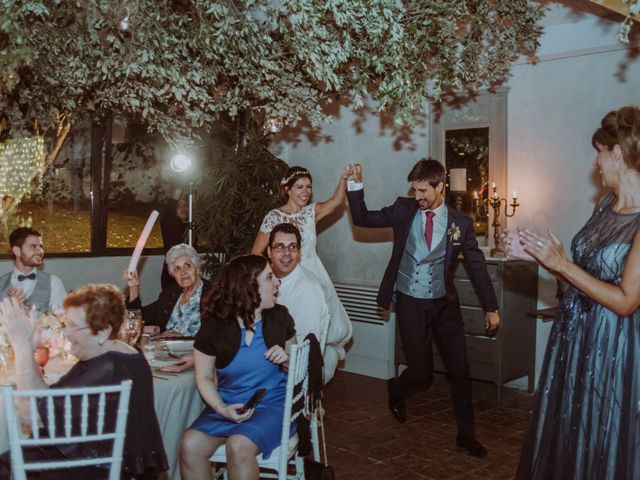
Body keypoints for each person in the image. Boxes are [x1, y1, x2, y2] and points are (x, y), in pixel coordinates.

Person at [512, 106, 640, 479]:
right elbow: (586, 276)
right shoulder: (603, 206)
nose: (596, 163)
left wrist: (564, 266)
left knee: (604, 430)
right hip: (575, 336)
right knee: (572, 428)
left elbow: (626, 301)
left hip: (613, 346)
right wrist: (555, 264)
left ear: (618, 152)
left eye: (599, 151)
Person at [346, 159, 500, 457]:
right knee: (421, 371)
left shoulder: (461, 223)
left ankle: (466, 434)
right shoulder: (404, 210)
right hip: (410, 302)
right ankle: (398, 389)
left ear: (440, 186)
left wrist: (491, 307)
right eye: (414, 190)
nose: (417, 196)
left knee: (460, 370)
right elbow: (362, 218)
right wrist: (356, 184)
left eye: (422, 190)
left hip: (444, 304)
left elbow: (479, 269)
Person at [0, 284, 168, 479]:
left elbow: (31, 414)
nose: (67, 333)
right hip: (92, 460)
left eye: (73, 326)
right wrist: (29, 348)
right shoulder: (121, 355)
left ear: (103, 331)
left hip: (85, 469)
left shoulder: (109, 368)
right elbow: (46, 401)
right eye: (66, 323)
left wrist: (21, 346)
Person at [179, 255, 296, 480]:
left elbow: (300, 371)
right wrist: (222, 408)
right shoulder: (214, 326)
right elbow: (203, 377)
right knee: (189, 445)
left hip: (272, 404)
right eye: (270, 278)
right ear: (249, 286)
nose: (277, 282)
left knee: (239, 445)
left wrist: (287, 360)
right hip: (229, 404)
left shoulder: (280, 318)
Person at [252, 166, 352, 372]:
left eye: (308, 187)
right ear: (287, 189)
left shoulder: (310, 213)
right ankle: (286, 374)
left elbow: (336, 201)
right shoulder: (273, 216)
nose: (305, 192)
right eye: (299, 187)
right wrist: (269, 278)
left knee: (315, 330)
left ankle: (311, 385)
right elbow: (256, 253)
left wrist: (343, 179)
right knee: (289, 328)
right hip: (285, 279)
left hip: (313, 275)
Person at [123, 243, 209, 372]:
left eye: (187, 266)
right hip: (166, 357)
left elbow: (219, 338)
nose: (183, 272)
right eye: (177, 269)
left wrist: (183, 339)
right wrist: (134, 287)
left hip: (197, 360)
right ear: (173, 274)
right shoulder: (171, 293)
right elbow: (140, 318)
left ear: (198, 268)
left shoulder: (214, 294)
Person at [266, 223, 334, 380]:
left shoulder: (307, 289)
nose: (287, 253)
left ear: (300, 252)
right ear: (269, 251)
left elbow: (304, 349)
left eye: (292, 247)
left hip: (284, 371)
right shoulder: (263, 278)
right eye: (279, 247)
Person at [0, 227, 66, 311]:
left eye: (41, 246)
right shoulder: (1, 284)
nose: (40, 251)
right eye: (33, 247)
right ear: (17, 251)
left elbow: (62, 320)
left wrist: (26, 310)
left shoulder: (53, 282)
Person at [160, 187, 190, 288]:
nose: (184, 209)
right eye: (180, 206)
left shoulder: (190, 226)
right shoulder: (169, 223)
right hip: (171, 275)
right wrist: (181, 179)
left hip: (189, 274)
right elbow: (170, 207)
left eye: (186, 205)